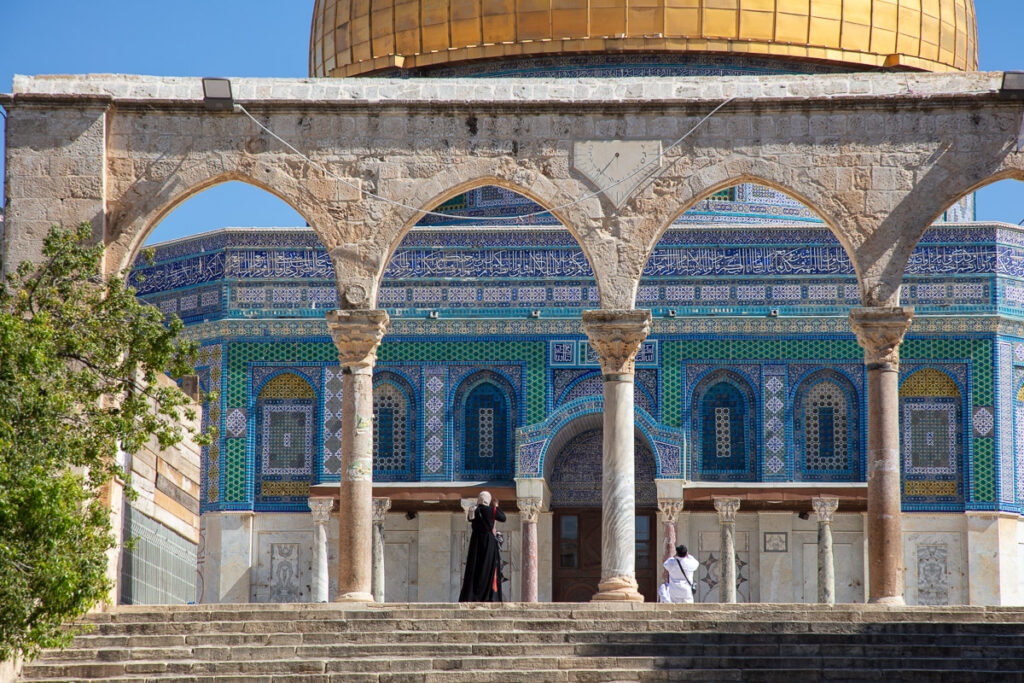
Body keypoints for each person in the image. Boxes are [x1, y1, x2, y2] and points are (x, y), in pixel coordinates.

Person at [458, 491, 506, 602]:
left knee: (475, 568)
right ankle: (489, 596)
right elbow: (503, 517)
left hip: (476, 542)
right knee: (488, 568)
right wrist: (496, 506)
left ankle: (472, 596)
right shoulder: (491, 510)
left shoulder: (473, 510)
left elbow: (470, 519)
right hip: (488, 542)